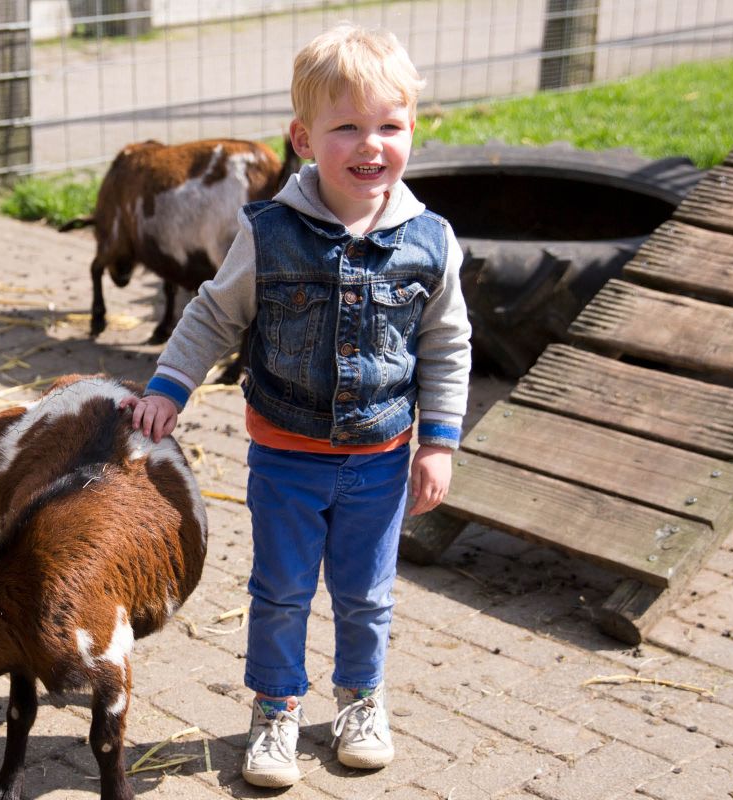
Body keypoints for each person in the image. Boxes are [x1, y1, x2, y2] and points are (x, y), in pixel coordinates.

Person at [118, 23, 472, 788]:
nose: (368, 145)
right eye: (345, 127)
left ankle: (359, 699)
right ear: (303, 138)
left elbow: (446, 346)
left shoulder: (430, 242)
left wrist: (438, 442)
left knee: (366, 594)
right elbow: (215, 314)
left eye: (388, 125)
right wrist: (168, 387)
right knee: (278, 591)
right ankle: (275, 707)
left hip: (380, 461)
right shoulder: (268, 232)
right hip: (285, 456)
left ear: (412, 129)